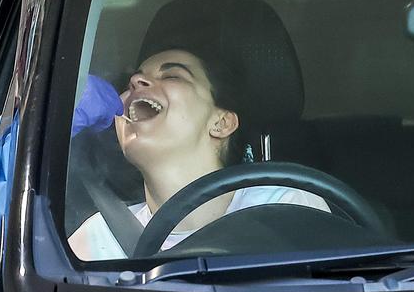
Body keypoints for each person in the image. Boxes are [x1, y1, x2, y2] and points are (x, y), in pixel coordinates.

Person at [69, 46, 329, 260]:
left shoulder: (286, 208)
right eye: (131, 81)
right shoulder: (94, 240)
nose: (136, 81)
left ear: (221, 123)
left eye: (172, 76)